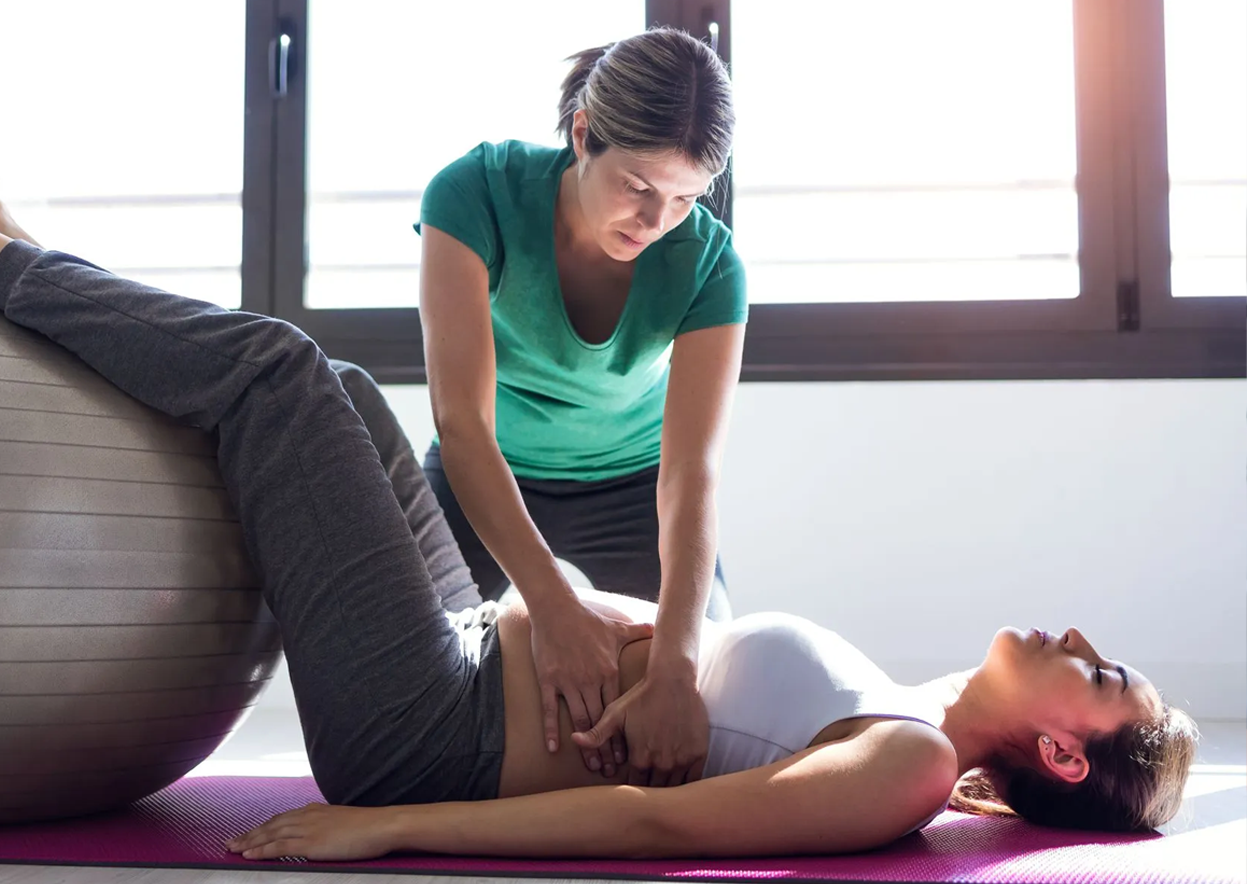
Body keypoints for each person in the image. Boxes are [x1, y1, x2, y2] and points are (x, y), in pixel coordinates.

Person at [0, 220, 1197, 862]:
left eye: (1100, 674)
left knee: (280, 374)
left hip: (426, 730)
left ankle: (13, 266)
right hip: (464, 644)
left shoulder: (906, 768)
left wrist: (390, 824)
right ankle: (38, 277)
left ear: (1062, 747)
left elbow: (655, 824)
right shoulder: (903, 708)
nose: (1077, 637)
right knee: (356, 392)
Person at [415, 26, 745, 782]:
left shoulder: (711, 265)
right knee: (406, 678)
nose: (655, 220)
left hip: (632, 485)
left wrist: (673, 669)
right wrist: (554, 604)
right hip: (484, 473)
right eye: (637, 187)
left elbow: (690, 475)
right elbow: (461, 423)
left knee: (711, 699)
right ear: (582, 133)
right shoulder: (474, 194)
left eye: (684, 198)